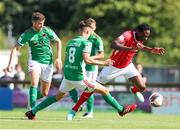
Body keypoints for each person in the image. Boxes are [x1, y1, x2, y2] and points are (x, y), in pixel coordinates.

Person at [25, 18, 136, 120]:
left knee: (57, 97)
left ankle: (33, 111)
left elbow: (69, 59)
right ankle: (121, 110)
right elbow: (87, 60)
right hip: (80, 78)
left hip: (67, 77)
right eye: (91, 31)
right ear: (88, 31)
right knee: (105, 90)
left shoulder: (71, 42)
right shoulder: (86, 43)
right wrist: (104, 63)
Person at [67, 23, 165, 118]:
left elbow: (140, 46)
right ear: (138, 32)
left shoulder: (140, 38)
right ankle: (74, 110)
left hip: (128, 66)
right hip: (113, 66)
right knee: (91, 88)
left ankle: (134, 90)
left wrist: (152, 50)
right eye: (144, 36)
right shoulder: (127, 35)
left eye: (147, 36)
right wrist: (130, 48)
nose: (145, 38)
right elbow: (113, 44)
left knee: (142, 87)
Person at [6, 12, 62, 110]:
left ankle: (31, 98)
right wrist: (10, 63)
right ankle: (31, 110)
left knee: (45, 93)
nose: (41, 25)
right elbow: (15, 48)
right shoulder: (27, 34)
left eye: (43, 23)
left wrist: (59, 57)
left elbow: (58, 41)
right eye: (39, 23)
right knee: (34, 83)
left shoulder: (47, 30)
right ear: (33, 22)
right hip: (35, 62)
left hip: (48, 63)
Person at [69, 18, 104, 118]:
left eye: (93, 28)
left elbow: (101, 55)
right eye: (90, 27)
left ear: (95, 28)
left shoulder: (97, 39)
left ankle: (90, 112)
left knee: (90, 88)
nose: (91, 30)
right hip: (80, 66)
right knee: (69, 83)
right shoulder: (82, 36)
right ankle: (78, 104)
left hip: (91, 67)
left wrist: (88, 58)